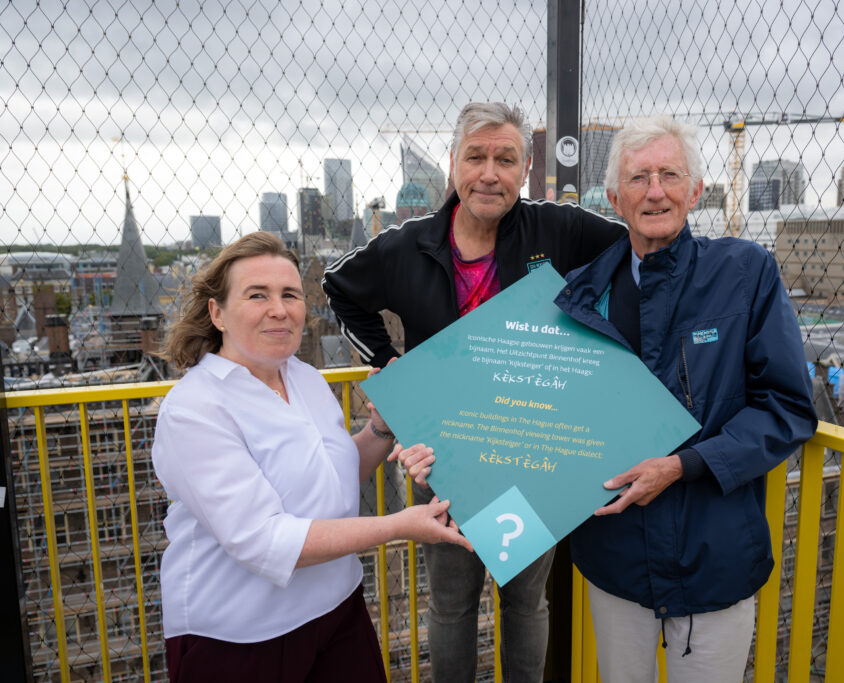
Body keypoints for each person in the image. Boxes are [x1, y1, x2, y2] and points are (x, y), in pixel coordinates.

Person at [322, 102, 625, 682]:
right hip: (443, 452)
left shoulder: (557, 228)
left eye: (505, 160)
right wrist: (387, 363)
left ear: (526, 168)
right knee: (451, 603)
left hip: (529, 446)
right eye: (476, 157)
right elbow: (338, 287)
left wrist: (592, 340)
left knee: (525, 601)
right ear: (453, 163)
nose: (489, 173)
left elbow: (632, 252)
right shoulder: (407, 244)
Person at [552, 116, 818, 681]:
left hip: (713, 558)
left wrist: (683, 465)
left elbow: (788, 407)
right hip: (616, 556)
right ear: (614, 199)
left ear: (695, 191)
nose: (655, 191)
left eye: (669, 175)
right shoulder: (579, 295)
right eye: (639, 178)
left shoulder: (745, 273)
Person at [152, 232, 471, 683]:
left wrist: (380, 429)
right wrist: (399, 525)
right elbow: (264, 540)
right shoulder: (194, 408)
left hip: (338, 610)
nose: (279, 309)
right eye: (257, 295)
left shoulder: (304, 378)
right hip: (241, 635)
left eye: (290, 295)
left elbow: (333, 477)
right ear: (217, 313)